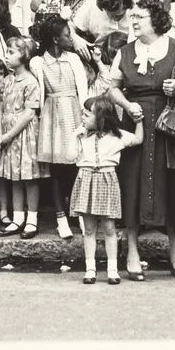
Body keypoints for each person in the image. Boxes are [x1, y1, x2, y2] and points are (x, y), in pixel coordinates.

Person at [72, 95, 143, 285]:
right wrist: (76, 137)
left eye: (87, 115)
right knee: (88, 228)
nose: (83, 118)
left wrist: (139, 121)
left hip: (107, 180)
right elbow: (70, 156)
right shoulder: (81, 135)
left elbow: (138, 139)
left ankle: (112, 269)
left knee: (109, 227)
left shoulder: (117, 136)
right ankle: (90, 269)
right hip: (86, 178)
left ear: (101, 118)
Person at [30, 13, 86, 240]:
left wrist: (85, 118)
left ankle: (79, 214)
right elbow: (39, 94)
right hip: (52, 117)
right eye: (66, 34)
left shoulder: (73, 59)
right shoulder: (37, 62)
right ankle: (61, 218)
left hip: (74, 112)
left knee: (77, 165)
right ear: (54, 39)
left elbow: (82, 89)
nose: (70, 38)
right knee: (55, 170)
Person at [0, 37, 48, 237]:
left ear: (24, 56)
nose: (6, 56)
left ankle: (32, 219)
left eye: (11, 52)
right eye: (6, 51)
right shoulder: (7, 81)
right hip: (7, 135)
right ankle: (17, 218)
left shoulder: (31, 81)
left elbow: (29, 114)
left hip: (24, 135)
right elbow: (0, 107)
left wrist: (7, 135)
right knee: (14, 176)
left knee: (29, 178)